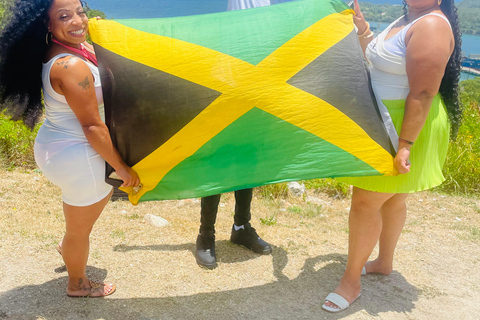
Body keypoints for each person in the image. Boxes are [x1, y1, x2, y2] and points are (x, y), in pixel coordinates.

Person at [322, 0, 461, 313]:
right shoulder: (409, 17)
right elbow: (381, 58)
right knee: (394, 199)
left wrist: (406, 144)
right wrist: (363, 28)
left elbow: (423, 93)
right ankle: (384, 262)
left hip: (403, 126)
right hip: (388, 121)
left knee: (365, 201)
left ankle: (350, 282)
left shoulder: (431, 25)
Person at [0, 0, 140, 297]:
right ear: (48, 25)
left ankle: (70, 246)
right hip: (79, 156)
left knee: (79, 220)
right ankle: (77, 284)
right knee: (79, 231)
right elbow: (92, 127)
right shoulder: (71, 65)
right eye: (65, 16)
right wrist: (121, 168)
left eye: (80, 12)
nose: (78, 21)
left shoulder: (63, 51)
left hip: (59, 145)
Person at [195, 0, 274, 269]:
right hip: (230, 68)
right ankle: (206, 235)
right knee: (218, 159)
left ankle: (241, 227)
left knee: (248, 158)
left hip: (261, 74)